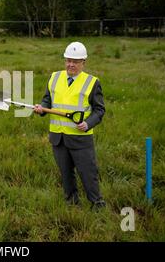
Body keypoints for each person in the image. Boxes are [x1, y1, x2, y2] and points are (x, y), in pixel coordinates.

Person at [34, 42, 106, 209]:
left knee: (88, 173)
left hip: (80, 137)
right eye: (68, 60)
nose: (71, 64)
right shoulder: (54, 77)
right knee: (66, 173)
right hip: (58, 137)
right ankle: (72, 203)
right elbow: (47, 100)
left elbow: (99, 110)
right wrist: (42, 108)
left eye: (75, 61)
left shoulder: (92, 82)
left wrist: (88, 123)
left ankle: (97, 204)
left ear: (83, 62)